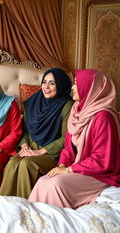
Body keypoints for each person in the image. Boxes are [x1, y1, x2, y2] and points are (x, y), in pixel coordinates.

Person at [28, 69, 120, 209]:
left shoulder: (104, 117)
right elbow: (68, 148)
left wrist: (70, 170)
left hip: (99, 175)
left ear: (90, 87)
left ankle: (55, 223)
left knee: (56, 184)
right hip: (78, 168)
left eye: (76, 84)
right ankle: (35, 222)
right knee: (43, 181)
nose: (72, 87)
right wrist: (61, 165)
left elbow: (101, 160)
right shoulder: (77, 109)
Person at [0, 68, 73, 199]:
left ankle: (26, 207)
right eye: (44, 82)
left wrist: (40, 152)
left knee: (26, 164)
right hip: (30, 148)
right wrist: (24, 145)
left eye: (52, 83)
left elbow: (66, 138)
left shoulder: (67, 105)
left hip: (51, 154)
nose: (46, 87)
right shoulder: (33, 101)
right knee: (13, 162)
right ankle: (4, 205)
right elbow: (25, 129)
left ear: (61, 85)